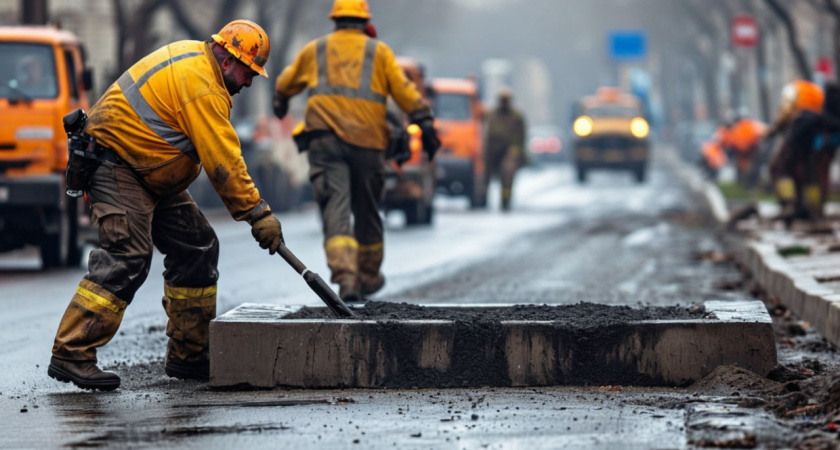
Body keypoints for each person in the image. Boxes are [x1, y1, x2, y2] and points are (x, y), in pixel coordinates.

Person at [48, 20, 284, 391]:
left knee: (198, 247)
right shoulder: (203, 86)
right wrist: (258, 213)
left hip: (149, 169)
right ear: (227, 60)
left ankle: (188, 356)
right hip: (118, 164)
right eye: (248, 71)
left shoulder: (198, 61)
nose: (249, 82)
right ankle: (71, 352)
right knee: (128, 253)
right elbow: (223, 162)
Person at [272, 0, 439, 303]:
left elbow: (285, 82)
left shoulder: (316, 50)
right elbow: (405, 92)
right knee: (368, 210)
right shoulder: (380, 52)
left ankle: (346, 277)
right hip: (369, 142)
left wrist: (280, 102)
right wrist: (425, 122)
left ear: (335, 20)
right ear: (365, 22)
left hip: (325, 142)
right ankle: (368, 276)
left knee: (336, 207)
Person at [778, 83, 840, 224]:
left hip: (802, 146)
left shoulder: (809, 115)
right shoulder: (825, 117)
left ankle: (792, 205)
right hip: (814, 147)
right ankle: (811, 209)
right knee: (811, 177)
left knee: (789, 173)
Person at [766, 80, 824, 217]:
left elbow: (784, 117)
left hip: (794, 142)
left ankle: (788, 204)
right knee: (809, 176)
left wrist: (771, 132)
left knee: (780, 168)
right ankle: (813, 208)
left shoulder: (791, 92)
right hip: (811, 144)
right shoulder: (817, 95)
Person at [485, 88, 526, 211]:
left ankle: (505, 201)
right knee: (485, 177)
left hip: (509, 150)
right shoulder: (491, 115)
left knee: (507, 176)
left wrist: (516, 151)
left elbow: (521, 136)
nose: (504, 102)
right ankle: (482, 199)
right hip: (491, 150)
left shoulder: (517, 116)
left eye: (506, 100)